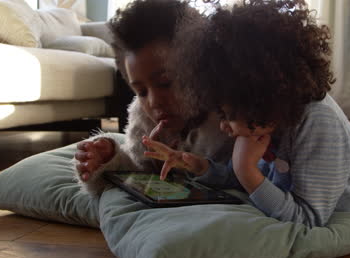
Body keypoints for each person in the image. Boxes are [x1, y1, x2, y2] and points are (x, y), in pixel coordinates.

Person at [142, 0, 350, 228]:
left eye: (227, 114)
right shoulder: (265, 120)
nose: (223, 126)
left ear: (258, 98)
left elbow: (308, 219)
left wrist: (247, 172)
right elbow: (258, 182)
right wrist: (198, 165)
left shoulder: (315, 122)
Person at [73, 0, 233, 195]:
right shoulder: (144, 121)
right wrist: (107, 159)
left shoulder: (233, 120)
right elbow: (137, 167)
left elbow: (244, 181)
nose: (154, 102)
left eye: (165, 83)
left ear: (201, 71)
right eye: (141, 92)